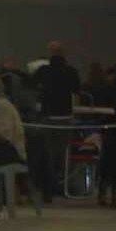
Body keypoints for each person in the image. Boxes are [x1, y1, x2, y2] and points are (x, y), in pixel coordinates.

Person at [32, 41, 81, 199]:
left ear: (50, 53)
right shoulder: (71, 71)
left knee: (48, 154)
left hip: (48, 117)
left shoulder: (43, 71)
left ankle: (49, 188)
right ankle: (64, 186)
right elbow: (77, 90)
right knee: (63, 154)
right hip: (65, 117)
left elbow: (32, 86)